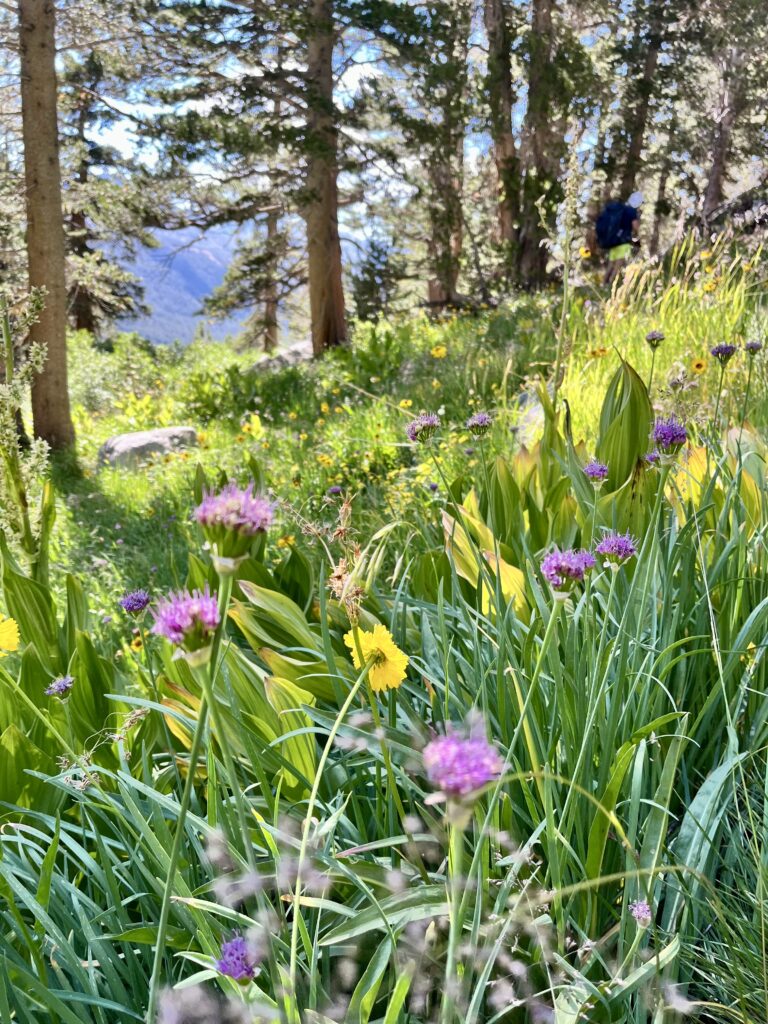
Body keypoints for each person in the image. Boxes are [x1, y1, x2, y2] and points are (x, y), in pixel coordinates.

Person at [596, 192, 643, 285]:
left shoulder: (621, 208)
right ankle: (611, 284)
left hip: (613, 240)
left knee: (611, 264)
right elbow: (635, 226)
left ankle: (603, 283)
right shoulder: (631, 211)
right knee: (619, 264)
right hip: (624, 241)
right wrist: (638, 233)